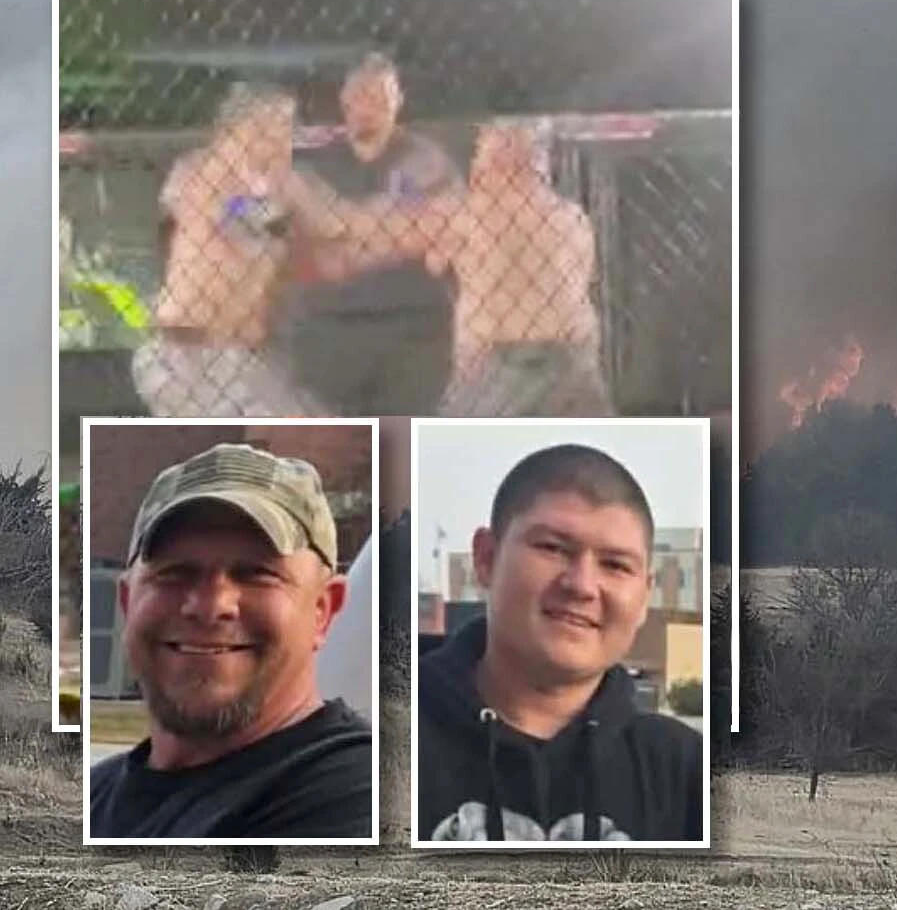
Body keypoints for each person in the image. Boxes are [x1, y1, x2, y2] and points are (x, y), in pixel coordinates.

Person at [88, 443, 373, 840]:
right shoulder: (92, 796)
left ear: (323, 610)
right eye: (175, 572)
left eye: (257, 573)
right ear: (126, 601)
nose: (210, 607)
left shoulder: (357, 798)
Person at [416, 444, 701, 842]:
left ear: (645, 596)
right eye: (552, 548)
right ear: (485, 558)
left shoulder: (688, 774)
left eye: (616, 565)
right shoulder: (387, 739)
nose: (581, 585)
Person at [284, 122, 611, 417]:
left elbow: (342, 224)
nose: (473, 163)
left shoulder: (468, 212)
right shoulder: (574, 217)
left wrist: (289, 181)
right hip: (576, 359)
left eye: (480, 150)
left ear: (496, 158)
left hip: (499, 365)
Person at [278, 51, 462, 415]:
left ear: (398, 103)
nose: (368, 106)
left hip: (411, 330)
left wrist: (332, 222)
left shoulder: (423, 161)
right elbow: (262, 210)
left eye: (380, 98)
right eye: (361, 95)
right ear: (345, 100)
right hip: (328, 330)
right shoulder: (319, 164)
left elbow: (432, 220)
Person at [133, 82, 329, 417]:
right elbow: (208, 210)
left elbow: (332, 229)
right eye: (271, 126)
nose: (284, 137)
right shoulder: (199, 171)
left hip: (247, 359)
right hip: (187, 356)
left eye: (287, 126)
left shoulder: (281, 186)